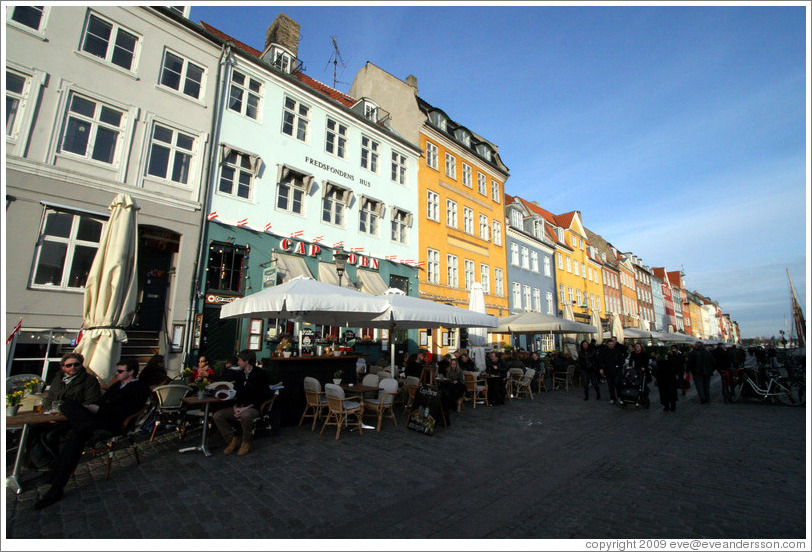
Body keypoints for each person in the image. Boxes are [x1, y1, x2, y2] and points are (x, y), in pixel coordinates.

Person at [33, 359, 150, 510]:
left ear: (131, 372)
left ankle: (56, 485)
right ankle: (57, 483)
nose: (117, 373)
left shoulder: (139, 388)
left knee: (75, 435)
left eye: (120, 371)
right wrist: (91, 407)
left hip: (114, 423)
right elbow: (102, 401)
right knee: (68, 405)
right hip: (95, 420)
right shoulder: (116, 386)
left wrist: (99, 410)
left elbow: (126, 411)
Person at [27, 352, 102, 471]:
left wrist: (69, 411)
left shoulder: (89, 380)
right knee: (32, 429)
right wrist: (47, 413)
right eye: (69, 365)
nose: (73, 367)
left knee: (50, 435)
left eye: (76, 364)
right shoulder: (58, 380)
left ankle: (55, 462)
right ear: (63, 367)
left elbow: (91, 401)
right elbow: (50, 398)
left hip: (71, 418)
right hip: (53, 415)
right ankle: (42, 462)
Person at [212, 349, 271, 456]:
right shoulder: (239, 374)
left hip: (253, 407)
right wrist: (235, 407)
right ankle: (233, 440)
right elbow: (236, 392)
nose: (238, 362)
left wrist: (246, 408)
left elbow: (263, 395)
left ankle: (246, 442)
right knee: (218, 415)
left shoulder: (260, 374)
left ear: (246, 361)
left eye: (239, 360)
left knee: (245, 416)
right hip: (239, 406)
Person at [598, 337, 626, 405]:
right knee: (610, 385)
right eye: (609, 344)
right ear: (607, 344)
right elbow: (601, 361)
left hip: (616, 371)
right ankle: (612, 398)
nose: (611, 345)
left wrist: (619, 366)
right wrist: (601, 368)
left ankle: (619, 397)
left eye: (612, 344)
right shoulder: (604, 352)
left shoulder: (617, 351)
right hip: (608, 371)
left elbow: (622, 360)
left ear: (614, 344)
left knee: (617, 384)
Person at [656, 347, 681, 412]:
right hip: (670, 379)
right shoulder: (672, 359)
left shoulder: (659, 361)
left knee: (664, 393)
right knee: (671, 392)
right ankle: (672, 406)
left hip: (663, 379)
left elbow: (656, 370)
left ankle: (666, 406)